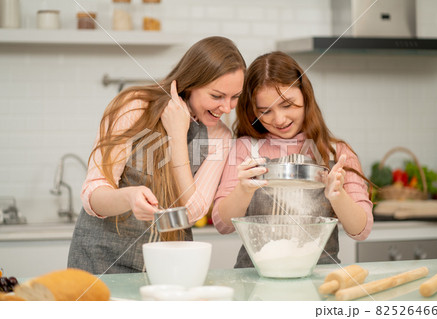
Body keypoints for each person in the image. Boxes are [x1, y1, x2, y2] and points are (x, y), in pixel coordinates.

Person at [68, 36, 246, 274]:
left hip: (167, 264)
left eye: (235, 97)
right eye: (217, 96)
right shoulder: (134, 106)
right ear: (191, 83)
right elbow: (93, 193)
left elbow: (192, 212)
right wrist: (128, 197)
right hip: (102, 258)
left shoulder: (220, 137)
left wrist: (176, 135)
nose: (226, 108)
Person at [212, 51, 373, 268]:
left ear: (305, 96)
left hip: (318, 282)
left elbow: (361, 230)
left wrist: (338, 195)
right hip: (257, 280)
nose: (279, 119)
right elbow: (223, 225)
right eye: (265, 111)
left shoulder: (336, 152)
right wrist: (243, 190)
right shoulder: (244, 149)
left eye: (287, 105)